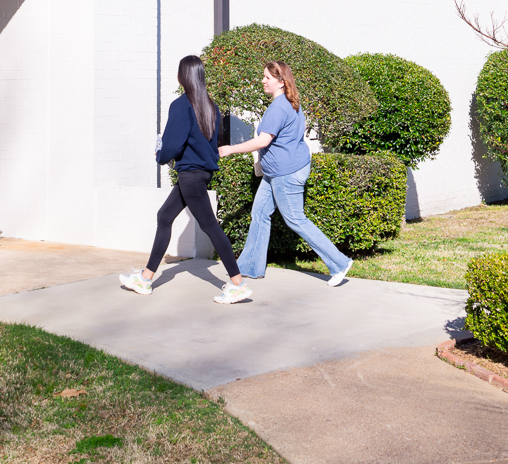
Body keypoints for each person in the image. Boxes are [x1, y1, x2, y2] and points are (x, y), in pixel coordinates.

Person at [120, 56, 252, 303]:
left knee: (211, 226)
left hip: (189, 175)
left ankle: (238, 284)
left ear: (182, 77)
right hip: (198, 173)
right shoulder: (210, 106)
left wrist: (161, 155)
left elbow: (172, 143)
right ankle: (146, 278)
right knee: (164, 217)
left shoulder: (181, 105)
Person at [221, 60, 353, 287]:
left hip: (285, 174)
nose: (263, 81)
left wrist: (231, 149)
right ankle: (249, 267)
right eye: (263, 76)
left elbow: (264, 140)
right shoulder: (292, 103)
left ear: (281, 82)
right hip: (277, 172)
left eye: (267, 78)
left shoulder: (279, 107)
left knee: (295, 219)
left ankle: (339, 263)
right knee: (260, 213)